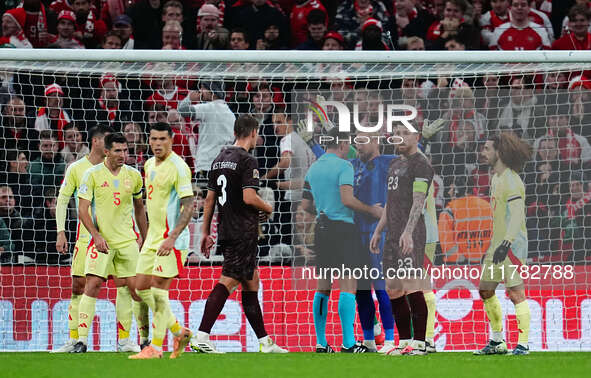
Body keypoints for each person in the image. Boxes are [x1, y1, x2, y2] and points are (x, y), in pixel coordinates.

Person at [190, 114, 287, 354]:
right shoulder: (247, 160)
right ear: (253, 132)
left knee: (251, 281)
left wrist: (205, 232)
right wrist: (268, 207)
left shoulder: (220, 158)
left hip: (226, 229)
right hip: (243, 230)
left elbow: (210, 199)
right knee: (229, 280)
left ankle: (265, 342)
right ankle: (201, 336)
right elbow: (249, 197)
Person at [53, 125, 148, 353]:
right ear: (106, 150)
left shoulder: (134, 176)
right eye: (118, 150)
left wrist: (146, 237)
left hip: (126, 242)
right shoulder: (87, 173)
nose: (123, 155)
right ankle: (80, 340)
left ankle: (128, 340)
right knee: (88, 285)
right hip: (96, 241)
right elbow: (80, 207)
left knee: (132, 289)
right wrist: (79, 233)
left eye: (125, 150)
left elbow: (139, 209)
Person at [303, 127, 382, 353]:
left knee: (323, 286)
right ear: (342, 145)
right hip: (343, 229)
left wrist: (324, 205)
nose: (351, 149)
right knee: (348, 284)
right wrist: (372, 210)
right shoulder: (344, 166)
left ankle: (321, 343)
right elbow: (347, 200)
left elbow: (307, 206)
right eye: (349, 145)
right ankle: (348, 343)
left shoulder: (314, 168)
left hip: (321, 228)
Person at [129, 122, 194, 359]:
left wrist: (172, 237)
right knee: (140, 287)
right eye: (154, 139)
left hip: (172, 240)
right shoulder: (148, 165)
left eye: (162, 139)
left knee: (158, 290)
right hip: (153, 238)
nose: (157, 144)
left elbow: (189, 206)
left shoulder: (179, 167)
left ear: (171, 140)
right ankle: (179, 331)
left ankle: (155, 348)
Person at [370, 124, 434, 356]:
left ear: (417, 137)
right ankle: (404, 341)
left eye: (406, 133)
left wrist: (408, 231)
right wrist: (378, 230)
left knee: (411, 286)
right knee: (393, 289)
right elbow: (391, 203)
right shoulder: (394, 165)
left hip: (411, 234)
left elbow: (418, 202)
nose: (401, 137)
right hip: (392, 234)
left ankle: (420, 343)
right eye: (397, 132)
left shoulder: (421, 164)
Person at [474, 132, 532, 356]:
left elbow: (517, 215)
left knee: (515, 292)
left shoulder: (511, 180)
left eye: (487, 149)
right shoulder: (496, 178)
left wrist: (506, 243)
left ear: (499, 152)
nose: (483, 153)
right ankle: (497, 342)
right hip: (497, 245)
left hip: (512, 246)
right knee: (486, 290)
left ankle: (523, 344)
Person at [178, 81, 235, 186]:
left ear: (213, 92)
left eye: (203, 88)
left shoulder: (209, 108)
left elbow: (182, 110)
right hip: (224, 166)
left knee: (204, 199)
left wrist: (188, 98)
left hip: (206, 165)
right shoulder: (231, 114)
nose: (200, 91)